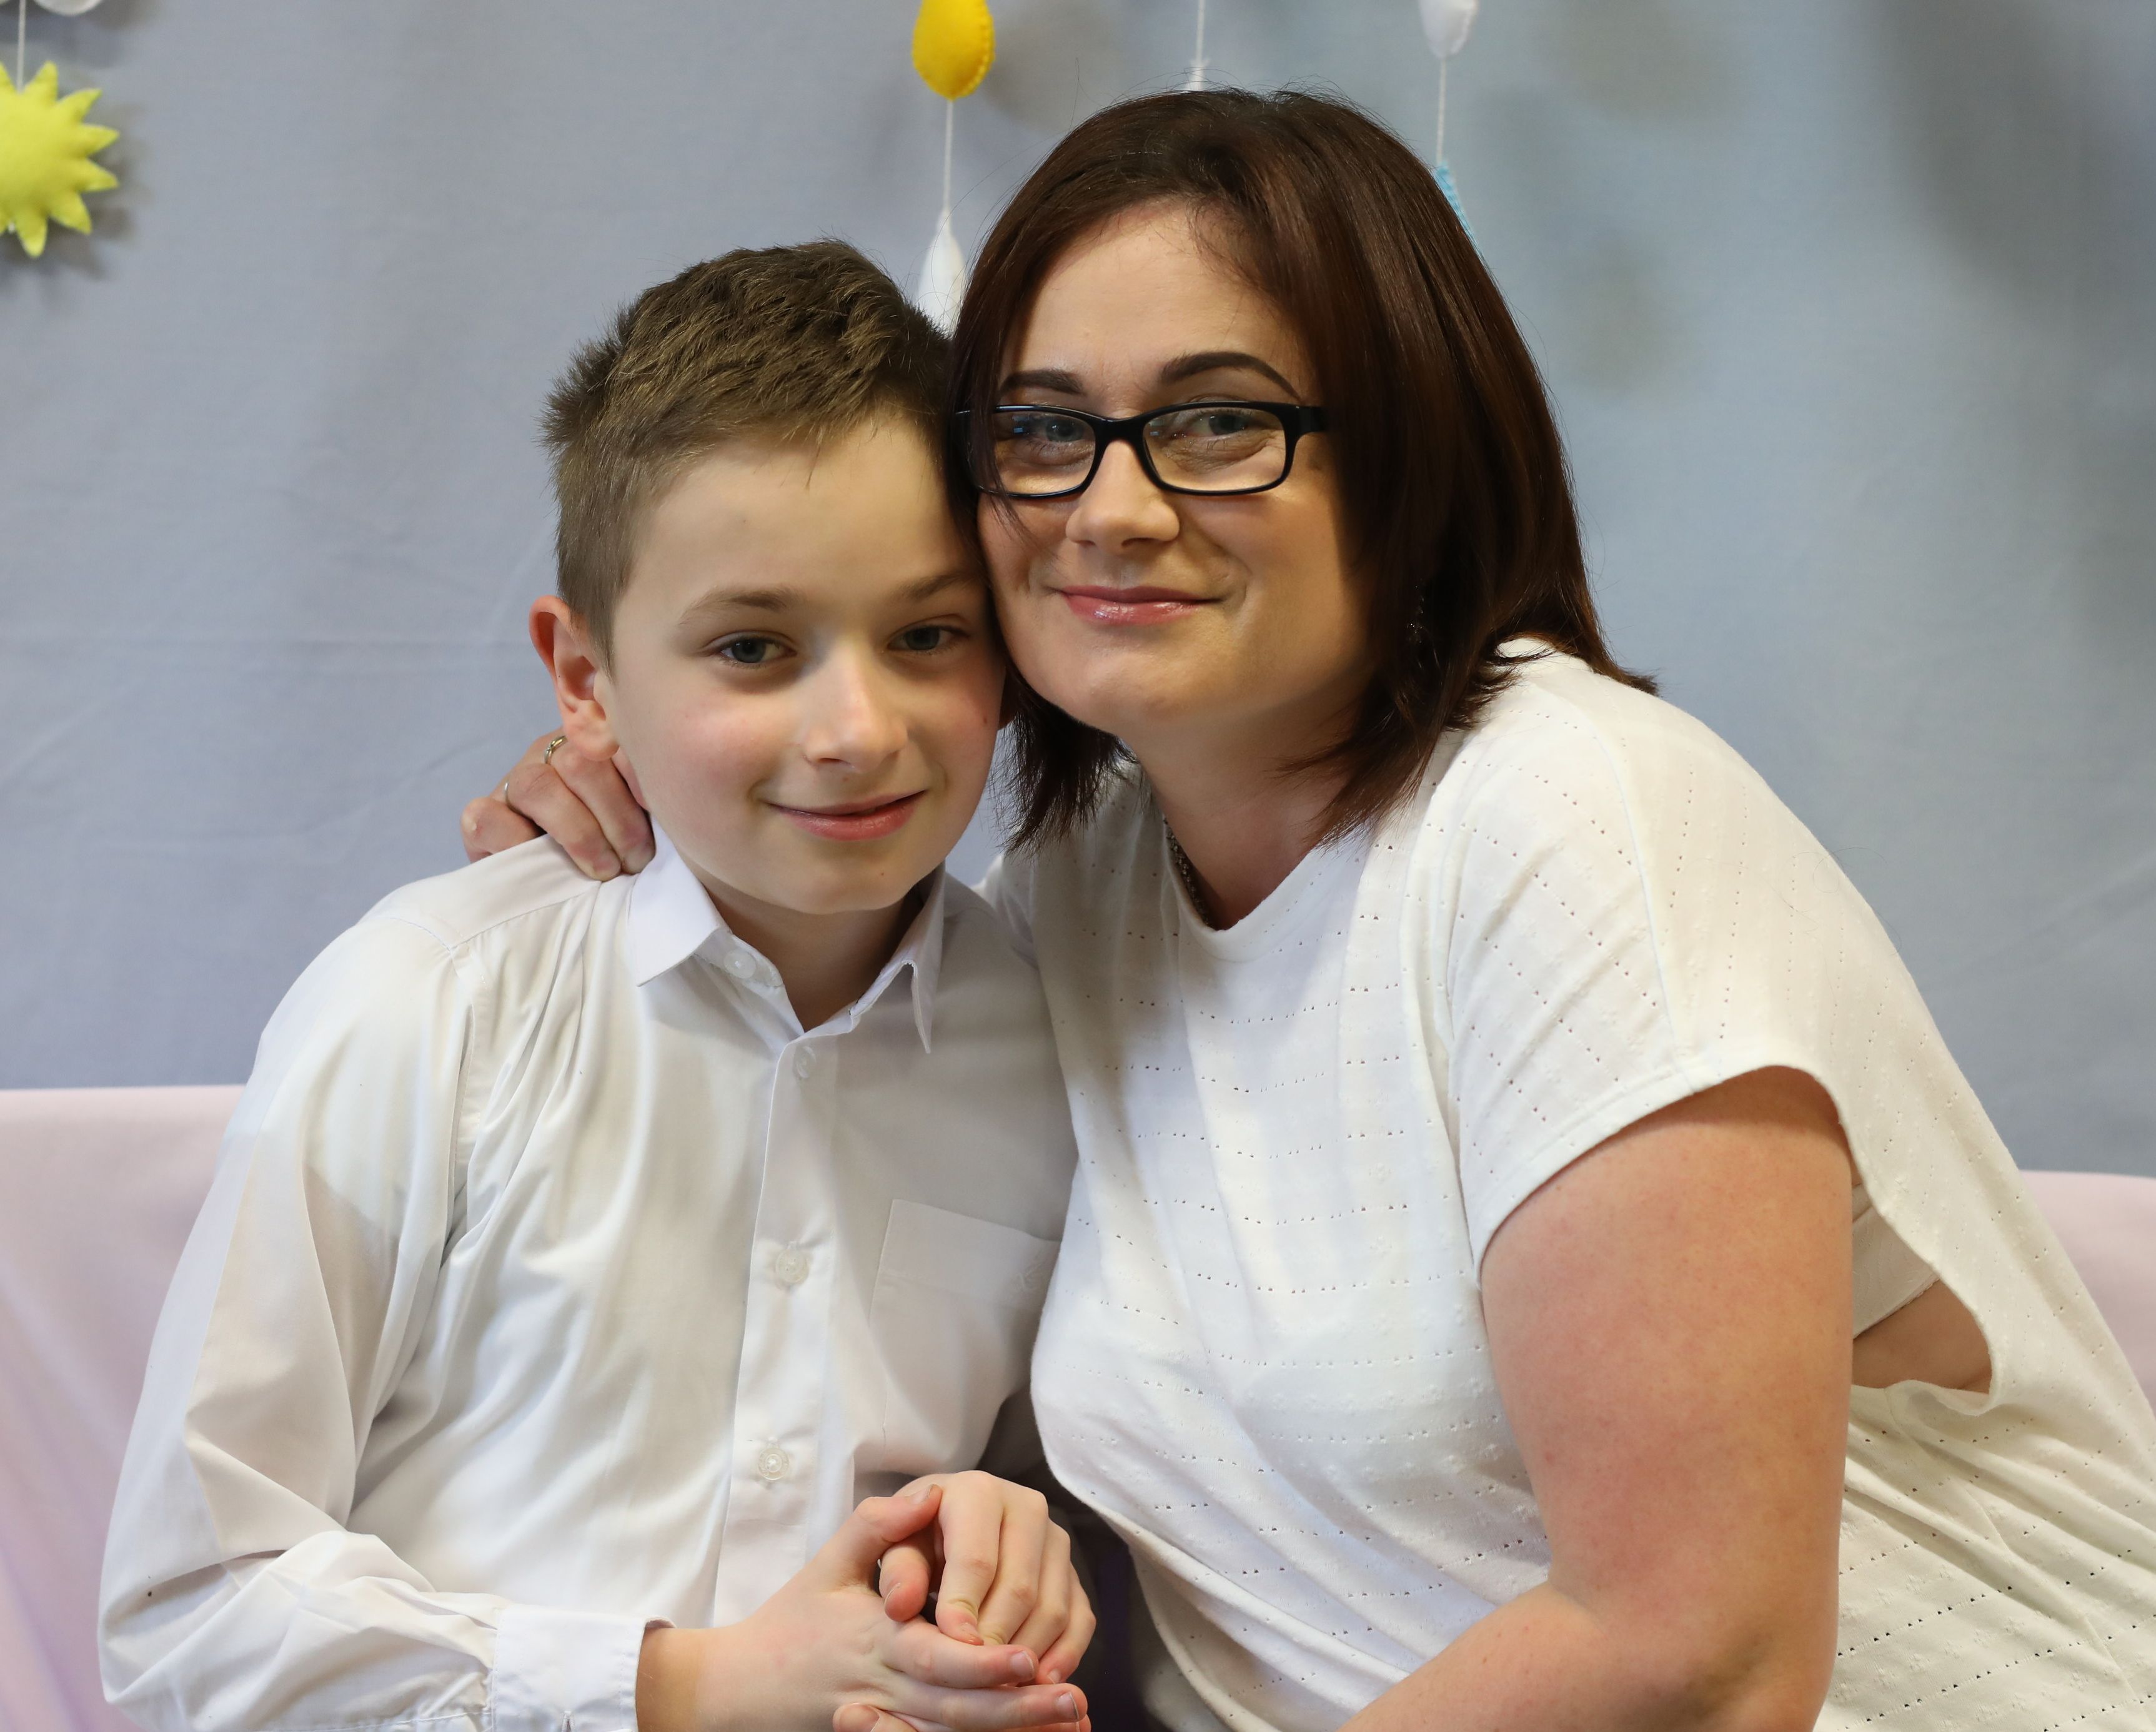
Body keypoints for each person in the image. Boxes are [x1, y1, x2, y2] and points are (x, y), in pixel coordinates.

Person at [464, 92, 2156, 1732]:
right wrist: (636, 812)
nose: (1112, 510)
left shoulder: (1573, 820)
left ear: (1410, 449)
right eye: (1043, 431)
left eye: (1216, 421)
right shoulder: (1074, 890)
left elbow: (1694, 1657)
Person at [100, 244, 1100, 1732]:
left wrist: (994, 1554)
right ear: (583, 680)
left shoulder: (1058, 1046)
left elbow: (1013, 1494)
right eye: (752, 647)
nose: (853, 728)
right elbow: (184, 1613)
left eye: (926, 636)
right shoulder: (423, 1005)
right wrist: (684, 1684)